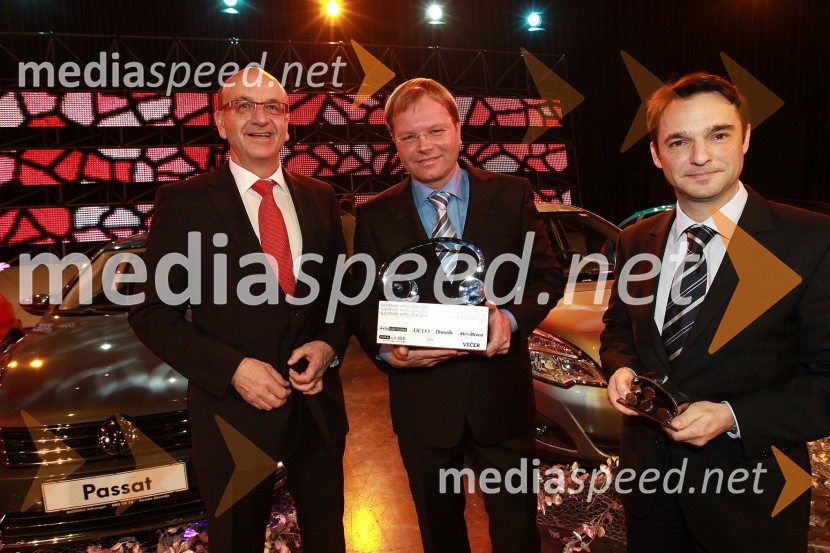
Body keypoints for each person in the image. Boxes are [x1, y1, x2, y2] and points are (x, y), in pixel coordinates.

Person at [600, 71, 830, 552]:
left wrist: (732, 416)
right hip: (650, 492)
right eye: (679, 141)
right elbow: (619, 328)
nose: (700, 156)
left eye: (718, 135)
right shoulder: (634, 240)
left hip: (753, 503)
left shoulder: (812, 240)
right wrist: (620, 368)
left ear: (745, 138)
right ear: (656, 154)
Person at [129, 68, 349, 553]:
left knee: (328, 540)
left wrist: (327, 344)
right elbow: (152, 313)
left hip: (317, 414)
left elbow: (340, 295)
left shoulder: (320, 198)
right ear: (220, 120)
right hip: (231, 419)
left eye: (273, 106)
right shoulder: (185, 203)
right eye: (243, 105)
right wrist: (234, 370)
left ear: (288, 122)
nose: (260, 118)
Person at [348, 78, 564, 553]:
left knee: (516, 532)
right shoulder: (376, 215)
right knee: (440, 534)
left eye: (435, 131)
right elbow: (361, 304)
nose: (424, 147)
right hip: (423, 407)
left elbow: (546, 280)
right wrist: (387, 351)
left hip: (500, 402)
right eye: (409, 137)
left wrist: (509, 319)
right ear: (394, 145)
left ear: (458, 130)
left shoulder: (510, 195)